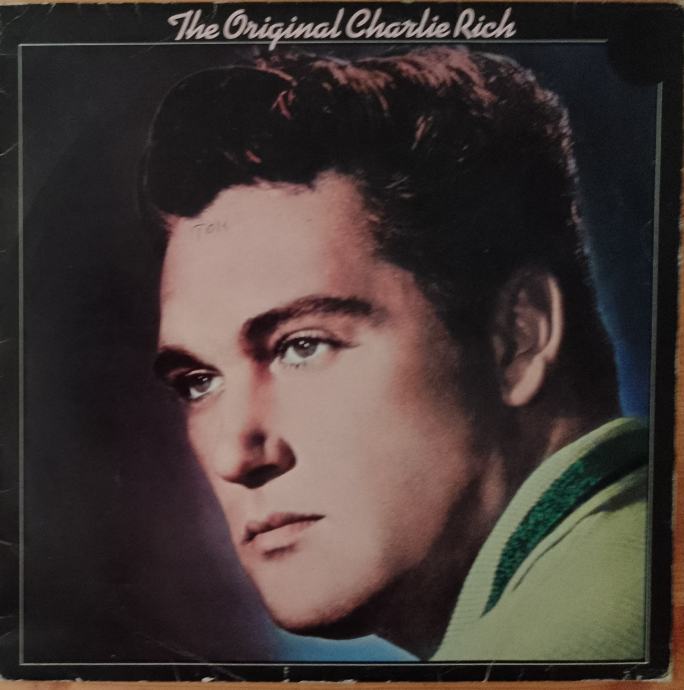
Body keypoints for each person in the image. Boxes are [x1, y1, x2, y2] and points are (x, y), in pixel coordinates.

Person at [141, 47, 648, 661]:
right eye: (198, 381)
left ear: (518, 336)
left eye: (302, 346)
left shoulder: (575, 644)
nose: (235, 455)